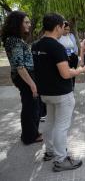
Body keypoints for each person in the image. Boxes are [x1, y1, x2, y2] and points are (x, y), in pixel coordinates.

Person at [32, 13, 85, 172]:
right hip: (61, 93)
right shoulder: (57, 47)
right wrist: (80, 70)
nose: (63, 29)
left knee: (50, 122)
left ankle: (50, 151)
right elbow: (65, 73)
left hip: (46, 93)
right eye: (63, 26)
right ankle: (60, 159)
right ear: (57, 26)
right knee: (61, 126)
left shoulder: (36, 45)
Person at [2, 11, 42, 145]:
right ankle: (29, 136)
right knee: (30, 106)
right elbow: (19, 66)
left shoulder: (15, 39)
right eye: (26, 22)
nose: (29, 25)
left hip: (26, 75)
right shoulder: (13, 40)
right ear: (17, 23)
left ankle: (31, 132)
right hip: (25, 76)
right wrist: (32, 84)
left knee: (31, 105)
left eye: (29, 22)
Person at [58, 21, 79, 88]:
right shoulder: (58, 37)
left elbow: (75, 45)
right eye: (65, 29)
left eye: (68, 29)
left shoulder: (71, 35)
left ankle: (72, 86)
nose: (67, 31)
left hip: (72, 56)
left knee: (73, 72)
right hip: (63, 57)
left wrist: (76, 53)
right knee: (65, 72)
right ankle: (66, 87)